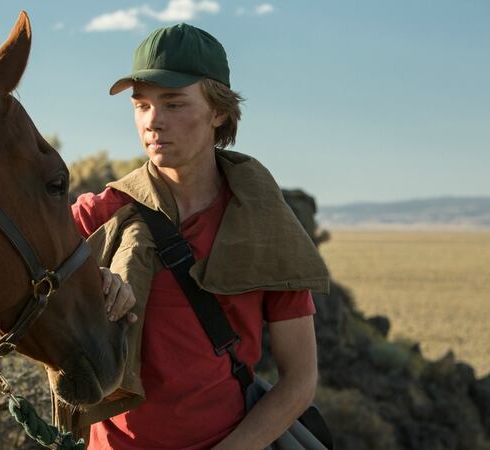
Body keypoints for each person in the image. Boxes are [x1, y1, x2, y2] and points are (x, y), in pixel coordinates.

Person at [56, 23, 330, 450]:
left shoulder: (262, 223)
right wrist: (91, 286)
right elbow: (8, 285)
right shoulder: (102, 212)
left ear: (218, 111)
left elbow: (299, 381)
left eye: (173, 103)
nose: (153, 121)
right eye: (141, 105)